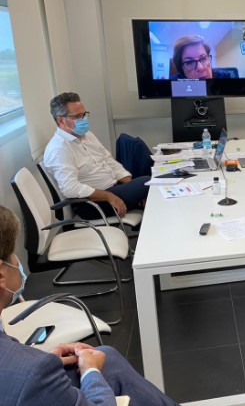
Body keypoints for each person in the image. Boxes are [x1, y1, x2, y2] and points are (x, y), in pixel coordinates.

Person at [0, 205, 179, 405]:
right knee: (104, 364)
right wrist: (90, 372)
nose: (17, 261)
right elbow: (24, 376)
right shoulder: (33, 372)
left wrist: (49, 363)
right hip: (31, 385)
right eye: (12, 255)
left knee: (108, 358)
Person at [43, 92, 149, 219]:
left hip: (114, 189)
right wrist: (109, 196)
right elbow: (70, 188)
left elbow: (109, 161)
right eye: (78, 116)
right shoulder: (59, 149)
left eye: (84, 114)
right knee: (147, 182)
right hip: (92, 203)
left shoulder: (87, 135)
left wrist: (132, 188)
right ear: (61, 120)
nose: (83, 119)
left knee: (148, 189)